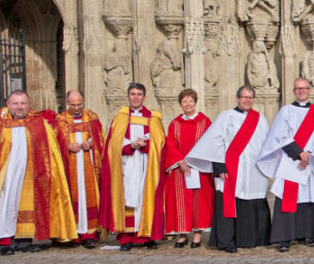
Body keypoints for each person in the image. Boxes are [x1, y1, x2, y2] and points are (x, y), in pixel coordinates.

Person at [0, 90, 76, 255]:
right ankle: (5, 241)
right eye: (15, 104)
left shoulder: (38, 123)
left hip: (30, 174)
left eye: (23, 103)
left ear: (29, 105)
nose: (19, 107)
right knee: (5, 205)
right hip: (3, 176)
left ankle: (24, 241)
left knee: (28, 204)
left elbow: (50, 149)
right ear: (8, 104)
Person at [185, 85, 271, 253]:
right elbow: (214, 143)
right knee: (228, 203)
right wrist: (219, 167)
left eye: (250, 97)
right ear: (237, 98)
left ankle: (252, 239)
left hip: (254, 171)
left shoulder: (260, 118)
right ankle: (227, 240)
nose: (247, 100)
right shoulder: (225, 116)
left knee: (253, 203)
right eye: (244, 97)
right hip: (230, 170)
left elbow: (267, 144)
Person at [257, 78, 314, 252]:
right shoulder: (286, 111)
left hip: (311, 161)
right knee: (289, 198)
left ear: (310, 90)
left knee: (310, 197)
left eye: (304, 88)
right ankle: (285, 237)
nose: (302, 91)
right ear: (294, 91)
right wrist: (300, 154)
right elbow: (280, 135)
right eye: (298, 89)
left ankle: (309, 234)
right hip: (291, 160)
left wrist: (310, 154)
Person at [99, 82, 166, 251]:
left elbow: (160, 142)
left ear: (144, 97)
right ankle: (126, 238)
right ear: (128, 96)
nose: (136, 97)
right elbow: (113, 145)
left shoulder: (153, 117)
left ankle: (147, 237)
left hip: (146, 165)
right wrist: (130, 146)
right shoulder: (120, 118)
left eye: (139, 94)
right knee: (127, 199)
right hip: (126, 165)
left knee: (146, 197)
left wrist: (145, 144)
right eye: (133, 94)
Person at [161, 88, 214, 249]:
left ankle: (197, 234)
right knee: (181, 201)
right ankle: (182, 234)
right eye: (185, 101)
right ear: (180, 104)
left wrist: (194, 160)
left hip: (199, 167)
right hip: (180, 169)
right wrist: (180, 161)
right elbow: (170, 143)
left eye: (190, 100)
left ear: (195, 102)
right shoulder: (175, 123)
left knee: (199, 201)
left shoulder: (205, 122)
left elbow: (209, 142)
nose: (188, 104)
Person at [54, 90, 106, 248]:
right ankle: (71, 233)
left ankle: (89, 234)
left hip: (88, 163)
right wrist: (68, 146)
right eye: (72, 105)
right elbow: (53, 143)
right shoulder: (60, 119)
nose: (76, 108)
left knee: (88, 197)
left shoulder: (91, 117)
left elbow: (100, 139)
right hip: (69, 165)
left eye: (79, 104)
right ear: (67, 103)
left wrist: (91, 144)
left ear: (83, 101)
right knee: (71, 197)